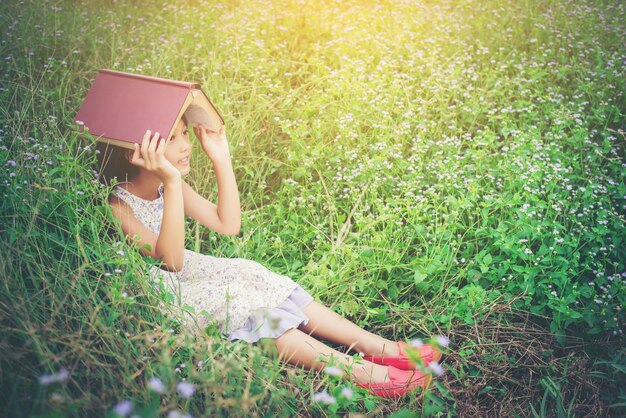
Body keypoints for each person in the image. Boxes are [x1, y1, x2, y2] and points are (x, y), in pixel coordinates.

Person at [95, 115, 441, 398]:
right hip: (162, 290)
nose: (186, 145)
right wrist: (171, 182)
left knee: (252, 272)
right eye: (171, 138)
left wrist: (221, 157)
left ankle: (378, 347)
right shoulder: (118, 205)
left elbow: (226, 223)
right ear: (135, 151)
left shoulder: (168, 184)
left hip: (189, 268)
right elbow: (169, 262)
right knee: (242, 301)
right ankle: (361, 372)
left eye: (184, 133)